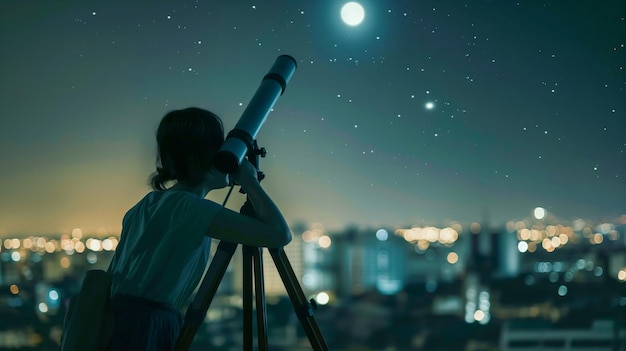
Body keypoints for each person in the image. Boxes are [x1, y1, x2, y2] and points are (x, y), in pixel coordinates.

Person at [106, 107, 292, 350]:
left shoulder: (146, 205)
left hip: (116, 324)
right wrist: (250, 181)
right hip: (147, 329)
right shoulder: (191, 209)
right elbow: (279, 235)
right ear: (204, 156)